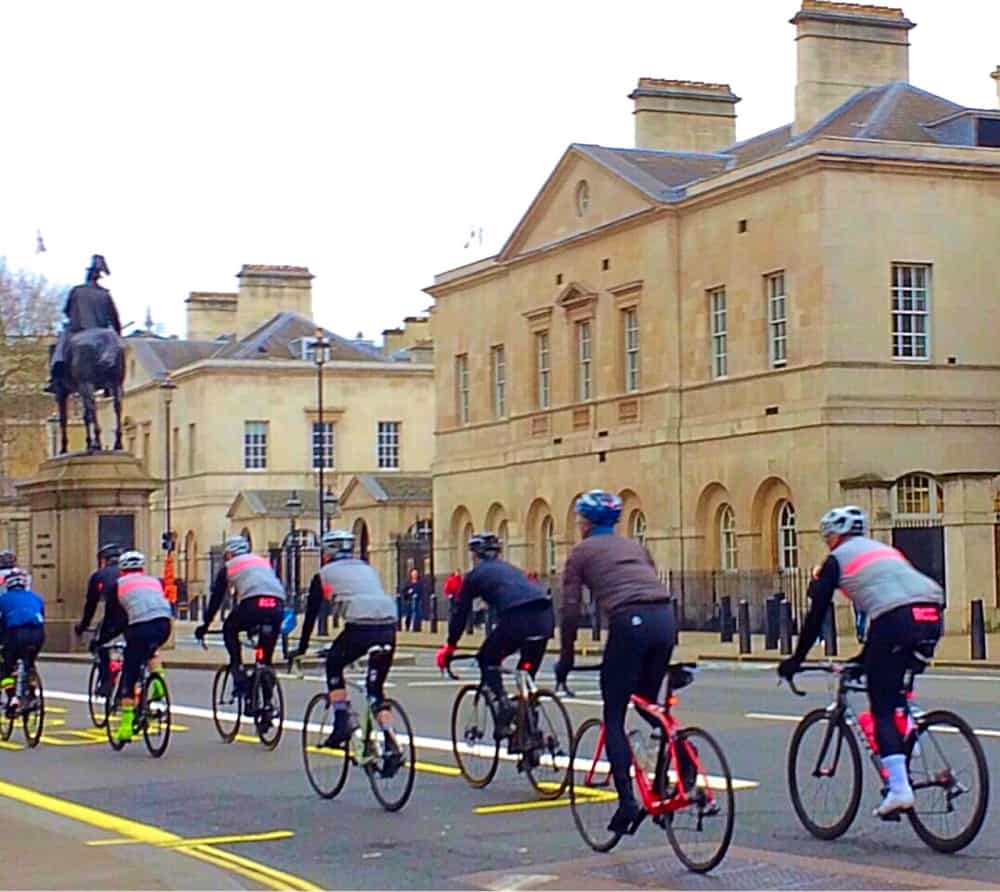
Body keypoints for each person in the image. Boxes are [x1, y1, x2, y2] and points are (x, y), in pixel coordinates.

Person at [777, 506, 945, 818]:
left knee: (880, 702)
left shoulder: (837, 560)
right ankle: (908, 730)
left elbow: (816, 616)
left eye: (828, 538)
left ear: (835, 536)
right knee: (892, 682)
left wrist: (795, 660)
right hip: (931, 614)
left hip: (895, 619)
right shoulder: (885, 551)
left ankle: (899, 789)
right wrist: (862, 658)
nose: (828, 543)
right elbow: (895, 600)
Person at [554, 490, 676, 835]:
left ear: (586, 523)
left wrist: (566, 659)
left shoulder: (581, 552)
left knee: (615, 710)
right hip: (666, 618)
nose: (578, 525)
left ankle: (627, 802)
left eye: (580, 520)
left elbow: (570, 610)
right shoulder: (635, 548)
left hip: (628, 622)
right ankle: (681, 761)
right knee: (649, 704)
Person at [292, 530, 399, 757]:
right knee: (376, 692)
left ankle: (341, 722)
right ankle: (392, 743)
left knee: (334, 663)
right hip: (389, 625)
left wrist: (301, 648)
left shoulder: (323, 574)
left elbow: (311, 615)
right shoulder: (367, 568)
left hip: (360, 627)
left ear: (328, 552)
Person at [435, 533, 553, 737]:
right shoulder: (512, 570)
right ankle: (529, 726)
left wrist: (450, 646)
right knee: (525, 674)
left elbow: (460, 613)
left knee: (487, 658)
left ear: (476, 556)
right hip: (545, 618)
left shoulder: (474, 576)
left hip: (517, 619)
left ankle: (503, 708)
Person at [195, 536, 284, 695]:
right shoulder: (262, 561)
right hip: (276, 604)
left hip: (253, 603)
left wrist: (205, 625)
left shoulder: (230, 566)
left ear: (229, 554)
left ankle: (238, 669)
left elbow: (216, 599)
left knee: (230, 628)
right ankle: (268, 704)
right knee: (265, 658)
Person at [110, 551, 172, 743]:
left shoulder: (119, 585)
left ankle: (126, 726)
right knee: (151, 649)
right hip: (164, 624)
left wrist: (103, 638)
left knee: (130, 672)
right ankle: (158, 682)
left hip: (140, 627)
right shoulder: (154, 581)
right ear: (142, 568)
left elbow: (114, 618)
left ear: (122, 570)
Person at [46, 254, 122, 393]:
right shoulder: (105, 294)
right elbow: (115, 319)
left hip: (78, 330)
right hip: (102, 333)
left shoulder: (77, 290)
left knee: (58, 346)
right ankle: (111, 381)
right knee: (114, 346)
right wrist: (118, 335)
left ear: (88, 274)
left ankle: (55, 377)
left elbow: (67, 311)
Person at [74, 543, 127, 696]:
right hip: (140, 617)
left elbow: (91, 605)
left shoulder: (99, 575)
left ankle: (106, 680)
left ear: (103, 560)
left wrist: (83, 627)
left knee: (100, 645)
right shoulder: (129, 572)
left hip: (115, 617)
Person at [0, 568, 45, 714]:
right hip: (38, 634)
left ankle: (13, 699)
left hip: (16, 634)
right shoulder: (36, 597)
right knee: (29, 663)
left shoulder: (3, 599)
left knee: (6, 667)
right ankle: (31, 695)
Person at [401, 568, 423, 632]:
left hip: (417, 600)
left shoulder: (420, 582)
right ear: (411, 574)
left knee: (417, 614)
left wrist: (418, 594)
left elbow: (422, 591)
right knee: (409, 614)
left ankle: (416, 627)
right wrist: (408, 592)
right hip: (409, 600)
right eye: (413, 574)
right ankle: (407, 626)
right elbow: (404, 591)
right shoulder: (408, 582)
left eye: (416, 574)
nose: (415, 575)